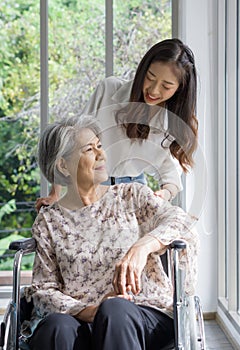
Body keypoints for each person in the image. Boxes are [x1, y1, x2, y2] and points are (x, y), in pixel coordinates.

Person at [23, 115, 199, 350]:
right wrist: (87, 311)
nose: (101, 155)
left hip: (140, 316)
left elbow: (181, 221)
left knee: (114, 310)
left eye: (100, 146)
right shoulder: (49, 220)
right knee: (57, 327)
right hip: (81, 321)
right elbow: (43, 289)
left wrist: (142, 247)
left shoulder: (132, 196)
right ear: (63, 165)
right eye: (89, 149)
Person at [35, 38, 198, 211]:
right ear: (143, 71)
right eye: (150, 77)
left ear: (180, 88)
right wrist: (56, 193)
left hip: (135, 194)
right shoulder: (109, 90)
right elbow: (73, 140)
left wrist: (163, 194)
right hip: (93, 187)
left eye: (166, 86)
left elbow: (171, 177)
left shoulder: (173, 124)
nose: (154, 90)